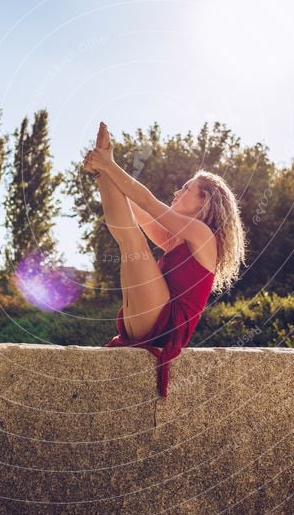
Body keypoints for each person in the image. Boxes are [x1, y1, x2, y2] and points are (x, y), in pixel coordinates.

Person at [83, 122, 247, 398]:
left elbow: (149, 203)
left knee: (133, 243)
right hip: (144, 322)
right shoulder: (176, 241)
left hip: (165, 325)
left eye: (185, 189)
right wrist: (103, 172)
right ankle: (101, 166)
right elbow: (132, 207)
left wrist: (110, 165)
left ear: (203, 201)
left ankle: (104, 163)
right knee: (128, 236)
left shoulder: (203, 235)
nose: (176, 193)